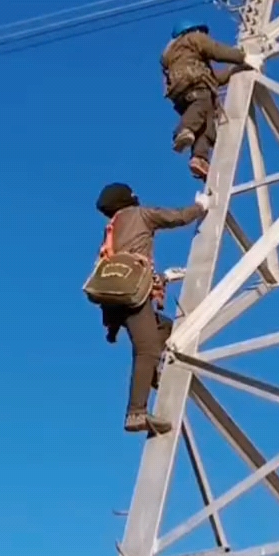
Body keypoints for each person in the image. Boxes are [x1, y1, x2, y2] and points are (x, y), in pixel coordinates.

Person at [90, 182, 209, 437]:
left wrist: (111, 327)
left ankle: (155, 375)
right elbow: (176, 217)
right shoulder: (141, 214)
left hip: (116, 301)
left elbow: (114, 277)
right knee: (146, 350)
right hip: (133, 297)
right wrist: (200, 207)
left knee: (165, 328)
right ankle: (137, 412)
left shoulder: (111, 228)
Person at [161, 22, 258, 180]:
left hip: (182, 91)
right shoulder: (193, 38)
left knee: (205, 123)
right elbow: (216, 50)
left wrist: (234, 70)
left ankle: (200, 158)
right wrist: (242, 57)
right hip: (194, 84)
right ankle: (183, 131)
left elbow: (215, 79)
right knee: (202, 102)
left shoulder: (181, 56)